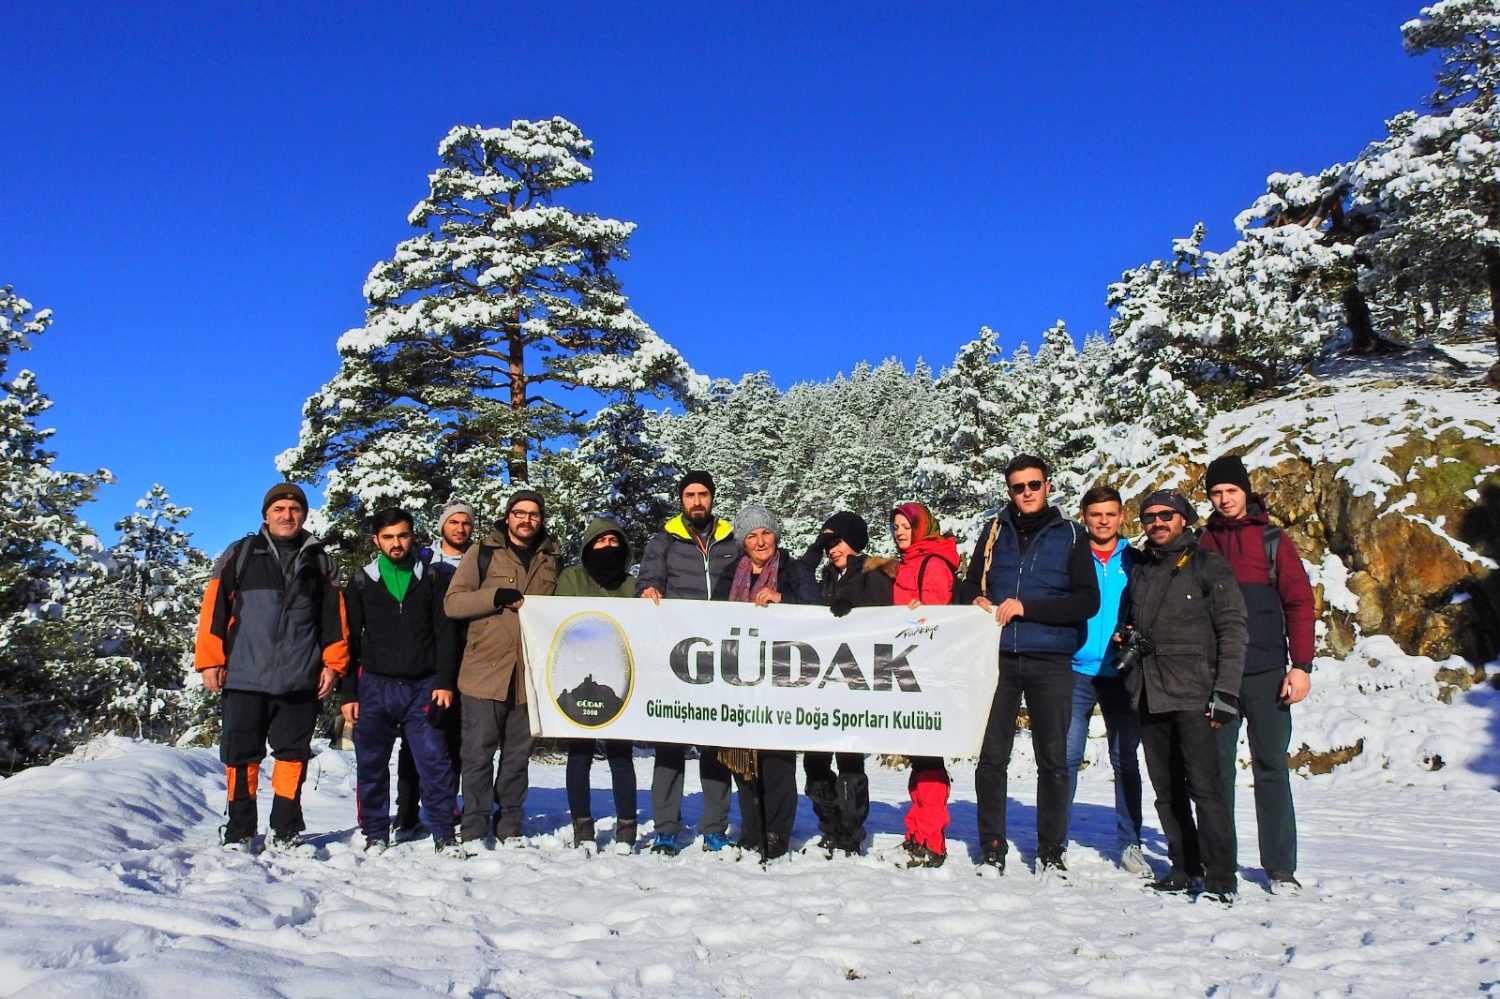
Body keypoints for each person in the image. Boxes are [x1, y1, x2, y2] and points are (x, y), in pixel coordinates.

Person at [194, 483, 349, 853]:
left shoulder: (320, 561)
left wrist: (333, 665)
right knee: (241, 757)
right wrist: (210, 660)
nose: (287, 515)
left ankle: (285, 829)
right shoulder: (242, 553)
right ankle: (239, 830)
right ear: (266, 514)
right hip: (244, 676)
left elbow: (335, 619)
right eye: (279, 509)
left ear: (304, 515)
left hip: (299, 678)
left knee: (292, 756)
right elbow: (214, 608)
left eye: (294, 509)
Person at [964, 455, 1100, 878]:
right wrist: (973, 598)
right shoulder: (993, 532)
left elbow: (1087, 601)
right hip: (998, 657)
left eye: (1034, 485)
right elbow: (967, 583)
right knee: (991, 758)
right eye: (1018, 486)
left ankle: (1051, 851)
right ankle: (991, 847)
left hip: (1051, 659)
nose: (1027, 493)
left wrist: (1028, 608)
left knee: (1053, 761)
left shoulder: (1072, 535)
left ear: (1047, 486)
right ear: (1009, 491)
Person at [1199, 454, 1316, 895]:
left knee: (1271, 768)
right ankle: (1218, 865)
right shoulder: (1202, 542)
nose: (1224, 499)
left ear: (1245, 492)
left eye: (1231, 491)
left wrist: (1300, 666)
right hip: (1217, 676)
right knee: (1215, 774)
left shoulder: (1272, 540)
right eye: (1216, 492)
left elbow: (1299, 603)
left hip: (1267, 673)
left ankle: (1280, 868)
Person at [1123, 488, 1247, 904]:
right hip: (1150, 691)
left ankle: (1221, 877)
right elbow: (1131, 622)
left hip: (1196, 692)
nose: (1157, 523)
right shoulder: (1142, 570)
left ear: (1183, 519)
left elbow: (1233, 629)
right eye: (1149, 517)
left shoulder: (1208, 564)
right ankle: (1184, 867)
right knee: (1166, 790)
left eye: (1166, 515)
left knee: (1207, 790)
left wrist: (1226, 691)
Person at [338, 508, 460, 856]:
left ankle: (444, 833)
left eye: (403, 535)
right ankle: (375, 833)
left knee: (434, 761)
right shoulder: (361, 581)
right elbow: (350, 641)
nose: (396, 543)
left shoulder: (432, 578)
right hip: (374, 687)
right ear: (376, 540)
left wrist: (444, 681)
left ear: (412, 537)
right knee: (371, 765)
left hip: (423, 687)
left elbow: (445, 633)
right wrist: (348, 693)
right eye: (388, 537)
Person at [444, 489, 561, 850]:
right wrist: (493, 596)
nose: (526, 520)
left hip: (529, 675)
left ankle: (509, 821)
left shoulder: (552, 558)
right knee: (477, 755)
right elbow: (453, 603)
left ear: (541, 519)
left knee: (517, 757)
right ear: (508, 516)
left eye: (533, 514)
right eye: (519, 513)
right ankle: (474, 824)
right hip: (484, 671)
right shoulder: (483, 552)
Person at [635, 471, 740, 854]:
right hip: (677, 654)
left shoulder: (732, 539)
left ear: (712, 497)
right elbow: (647, 579)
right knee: (669, 745)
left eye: (703, 494)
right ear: (681, 499)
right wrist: (648, 589)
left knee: (715, 745)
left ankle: (714, 828)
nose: (697, 501)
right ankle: (666, 827)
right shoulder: (664, 539)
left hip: (722, 656)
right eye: (690, 494)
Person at [712, 505, 819, 860]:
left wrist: (782, 600)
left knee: (776, 759)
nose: (760, 542)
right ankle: (752, 829)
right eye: (752, 536)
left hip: (782, 680)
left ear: (776, 535)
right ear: (742, 542)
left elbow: (818, 610)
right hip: (740, 680)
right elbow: (712, 616)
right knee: (743, 758)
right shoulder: (731, 574)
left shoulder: (794, 570)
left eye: (766, 533)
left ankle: (776, 833)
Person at [797, 511, 893, 855]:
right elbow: (797, 577)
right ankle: (830, 824)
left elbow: (883, 620)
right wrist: (815, 548)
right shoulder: (824, 576)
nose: (831, 549)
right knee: (815, 763)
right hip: (821, 685)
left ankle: (850, 835)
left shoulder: (872, 573)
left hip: (855, 683)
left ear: (854, 541)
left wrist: (853, 610)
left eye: (837, 541)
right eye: (827, 543)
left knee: (850, 764)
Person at [1065, 485, 1149, 875]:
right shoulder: (1070, 556)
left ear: (1121, 517)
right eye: (1096, 514)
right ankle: (1056, 839)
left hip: (1122, 674)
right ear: (1083, 516)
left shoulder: (1136, 560)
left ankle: (1131, 843)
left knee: (1125, 760)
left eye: (1110, 514)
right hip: (1076, 670)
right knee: (1066, 759)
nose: (1103, 521)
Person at [882, 502, 961, 868]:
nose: (900, 531)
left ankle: (931, 841)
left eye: (906, 526)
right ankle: (916, 833)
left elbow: (936, 621)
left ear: (922, 527)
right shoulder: (909, 562)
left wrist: (919, 617)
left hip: (928, 672)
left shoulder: (933, 563)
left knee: (929, 757)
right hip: (908, 670)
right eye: (895, 526)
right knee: (919, 756)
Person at [555, 516, 640, 852]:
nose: (608, 547)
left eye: (614, 541)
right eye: (601, 541)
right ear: (589, 546)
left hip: (618, 681)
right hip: (578, 678)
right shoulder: (572, 578)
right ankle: (582, 825)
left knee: (621, 754)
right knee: (580, 754)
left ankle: (627, 826)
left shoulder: (632, 585)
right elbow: (559, 621)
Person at [392, 500, 474, 840]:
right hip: (426, 659)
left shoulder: (480, 560)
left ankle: (447, 806)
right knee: (415, 740)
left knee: (454, 739)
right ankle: (407, 812)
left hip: (468, 657)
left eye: (465, 522)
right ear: (442, 526)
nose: (460, 528)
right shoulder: (422, 560)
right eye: (453, 522)